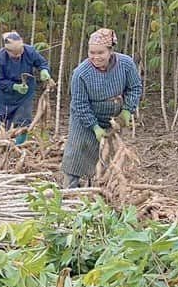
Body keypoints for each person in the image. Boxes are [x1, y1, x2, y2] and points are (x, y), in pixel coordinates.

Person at [60, 28, 143, 188]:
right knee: (77, 153)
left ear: (110, 51)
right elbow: (80, 104)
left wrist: (127, 110)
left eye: (100, 53)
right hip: (84, 119)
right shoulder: (81, 73)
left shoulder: (125, 64)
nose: (95, 57)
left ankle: (101, 189)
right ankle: (69, 191)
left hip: (113, 119)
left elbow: (135, 87)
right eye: (92, 52)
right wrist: (94, 127)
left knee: (108, 156)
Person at [0, 31, 51, 145]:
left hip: (25, 93)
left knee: (23, 119)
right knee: (1, 121)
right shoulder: (0, 58)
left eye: (20, 52)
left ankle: (20, 145)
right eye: (15, 54)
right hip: (5, 95)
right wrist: (14, 86)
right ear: (7, 51)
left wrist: (44, 70)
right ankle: (1, 144)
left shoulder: (30, 51)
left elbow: (42, 63)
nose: (18, 55)